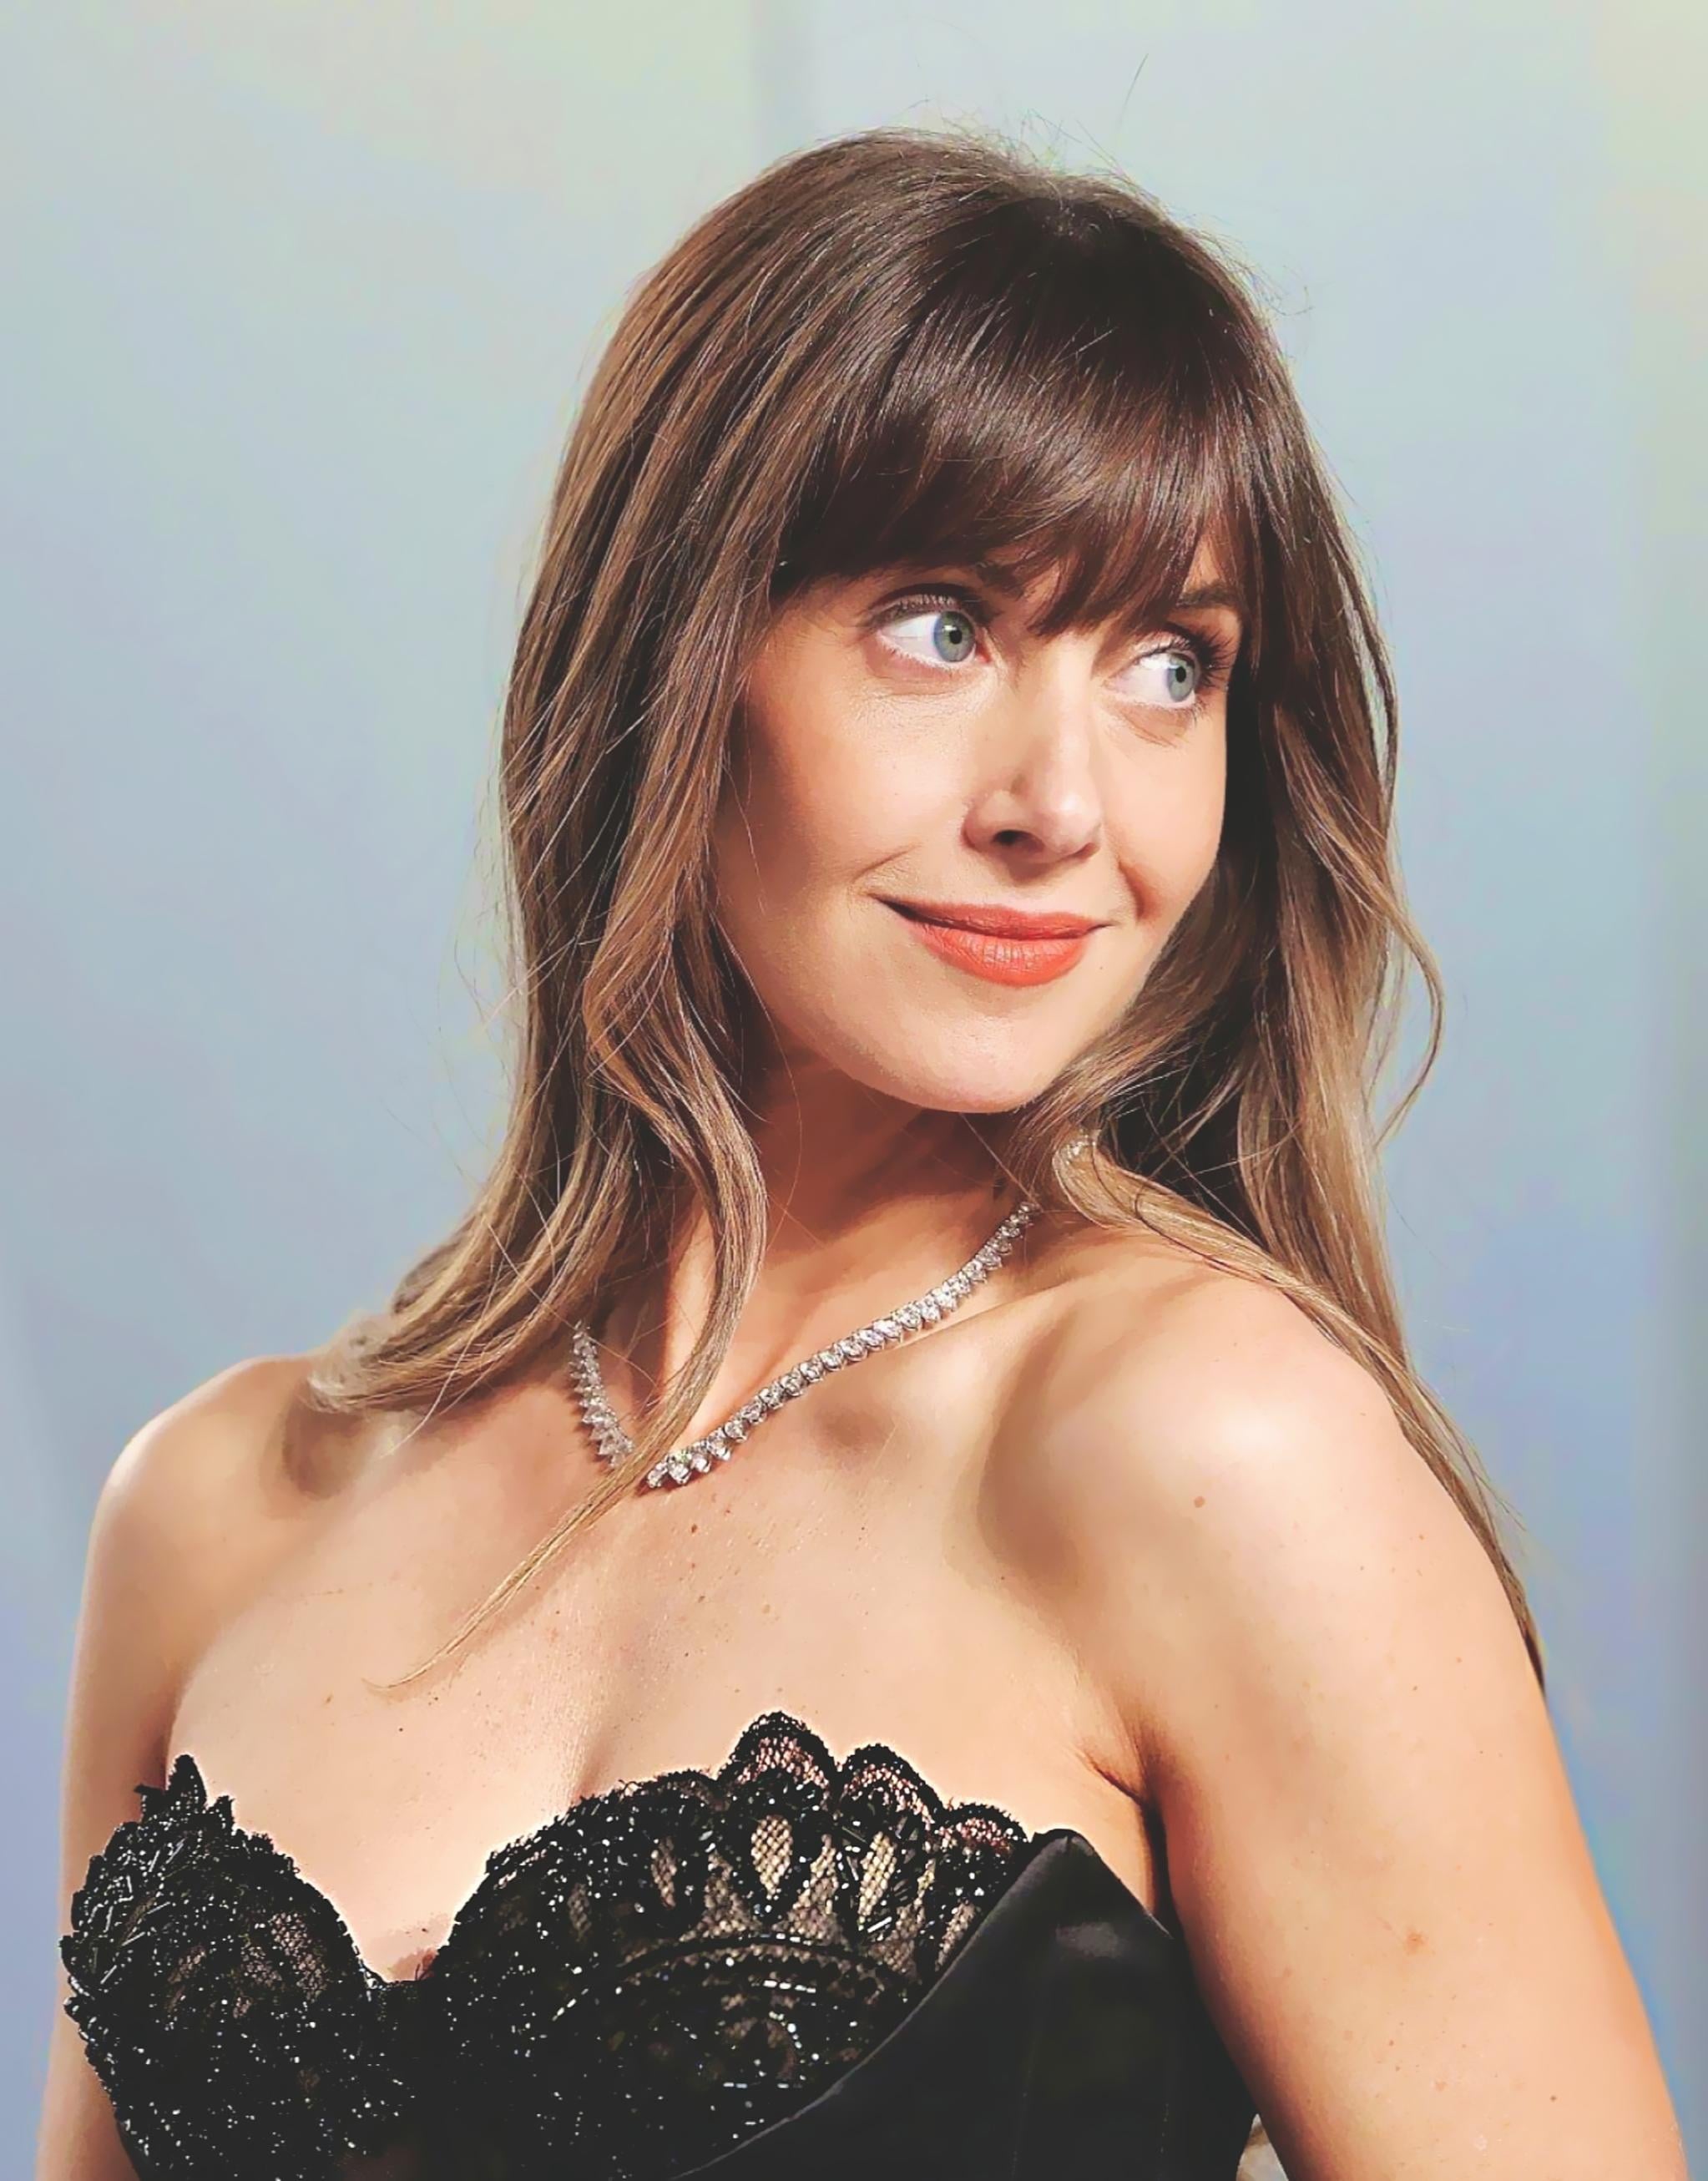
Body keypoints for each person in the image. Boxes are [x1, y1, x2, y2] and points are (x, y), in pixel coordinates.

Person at [38, 124, 1685, 2181]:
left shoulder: (1211, 1448)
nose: (1062, 804)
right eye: (942, 626)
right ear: (674, 649)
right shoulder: (214, 1507)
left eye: (1170, 666)